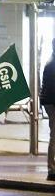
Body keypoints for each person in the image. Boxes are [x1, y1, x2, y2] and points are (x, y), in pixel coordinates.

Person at [41, 39, 55, 180]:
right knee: (54, 136)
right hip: (52, 103)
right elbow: (52, 89)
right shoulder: (52, 64)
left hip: (49, 102)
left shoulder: (51, 61)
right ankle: (51, 169)